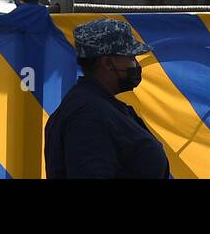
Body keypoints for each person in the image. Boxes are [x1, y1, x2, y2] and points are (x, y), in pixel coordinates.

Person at [44, 18, 171, 179]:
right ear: (107, 63)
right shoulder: (89, 115)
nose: (136, 65)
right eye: (131, 58)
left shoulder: (99, 106)